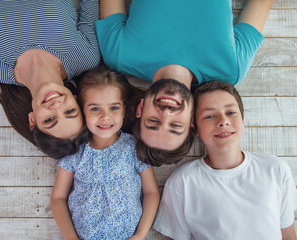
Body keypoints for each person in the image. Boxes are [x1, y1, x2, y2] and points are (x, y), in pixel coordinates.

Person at [95, 0, 273, 165]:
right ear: (192, 120)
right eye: (175, 125)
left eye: (153, 122)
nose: (166, 114)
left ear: (141, 109)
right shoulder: (231, 68)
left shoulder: (118, 55)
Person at [152, 81, 297, 239]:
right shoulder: (183, 181)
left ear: (243, 120)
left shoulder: (275, 169)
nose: (223, 121)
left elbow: (288, 234)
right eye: (209, 116)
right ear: (194, 127)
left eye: (231, 112)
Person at [0, 0, 101, 158]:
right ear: (77, 101)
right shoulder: (85, 57)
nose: (57, 106)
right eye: (70, 111)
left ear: (32, 120)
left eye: (50, 119)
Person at [50, 65, 160, 239]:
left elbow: (151, 192)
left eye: (114, 108)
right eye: (95, 108)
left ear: (124, 109)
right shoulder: (75, 152)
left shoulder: (133, 147)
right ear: (81, 108)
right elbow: (58, 198)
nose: (105, 116)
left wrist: (140, 234)